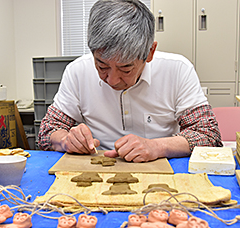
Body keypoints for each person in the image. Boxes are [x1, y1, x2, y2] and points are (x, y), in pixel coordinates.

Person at [38, 0, 222, 162]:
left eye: (125, 68)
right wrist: (66, 140)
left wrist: (157, 147)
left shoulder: (178, 70)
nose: (112, 79)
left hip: (161, 169)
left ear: (150, 52)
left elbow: (208, 135)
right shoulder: (77, 71)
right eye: (102, 66)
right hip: (97, 171)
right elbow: (48, 131)